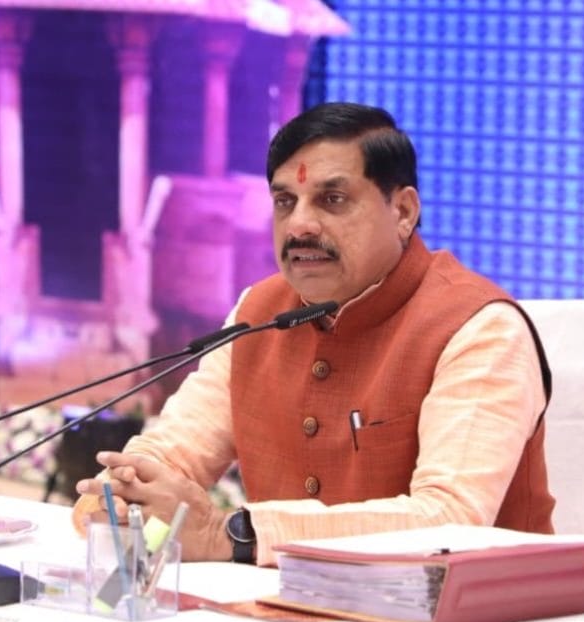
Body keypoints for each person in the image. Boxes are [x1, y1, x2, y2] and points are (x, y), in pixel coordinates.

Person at [71, 102, 553, 565]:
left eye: (332, 200)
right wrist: (127, 492)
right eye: (285, 201)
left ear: (404, 212)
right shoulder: (258, 312)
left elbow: (450, 520)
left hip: (474, 616)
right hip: (286, 605)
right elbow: (177, 450)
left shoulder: (478, 328)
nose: (299, 225)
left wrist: (231, 534)